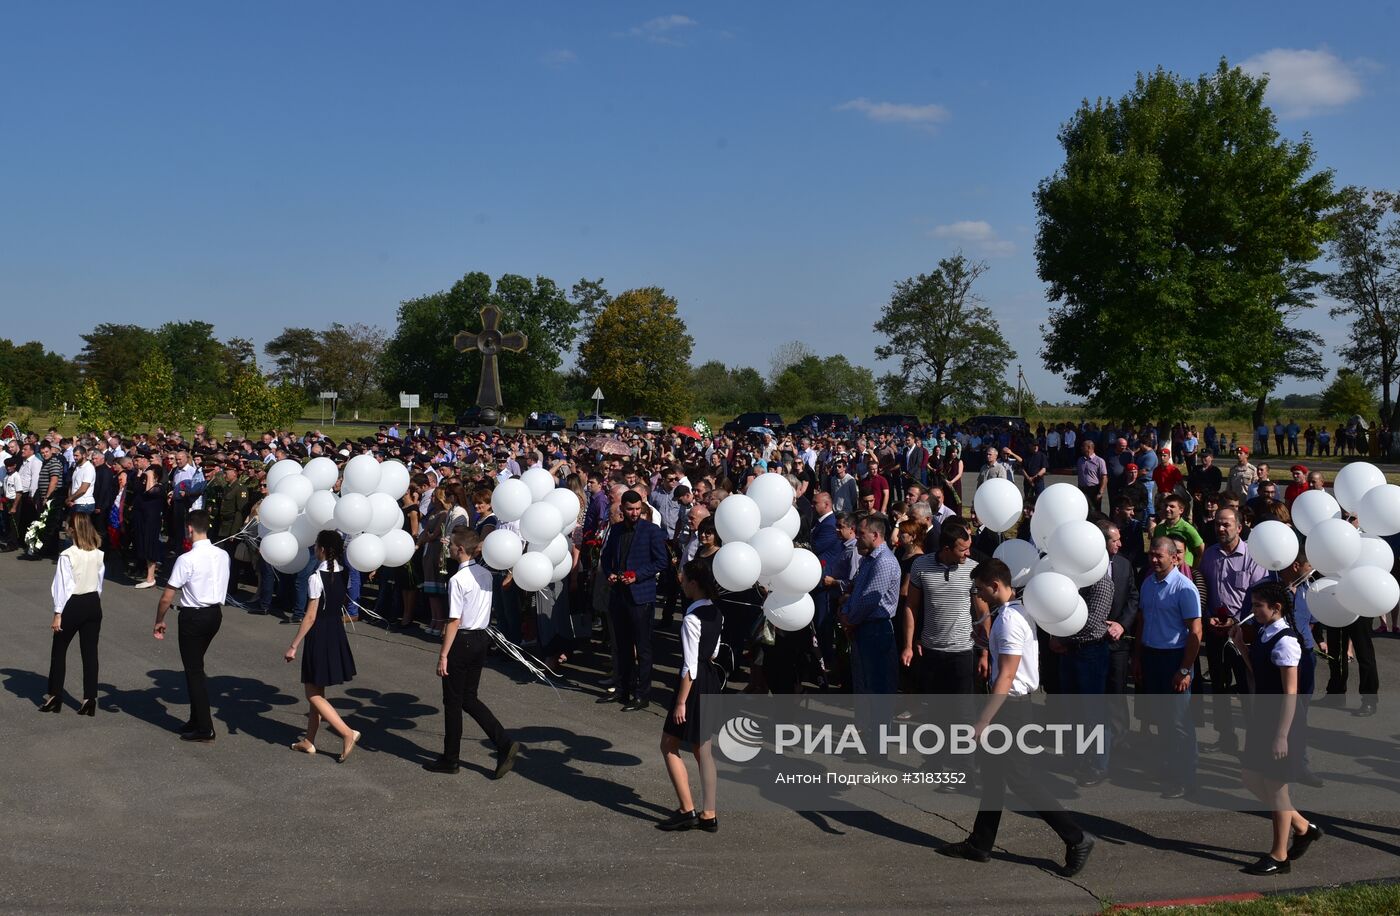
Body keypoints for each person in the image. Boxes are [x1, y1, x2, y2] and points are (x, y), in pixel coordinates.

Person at [938, 559, 1095, 877]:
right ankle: (980, 844)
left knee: (1020, 778)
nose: (977, 593)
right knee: (994, 777)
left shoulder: (1009, 620)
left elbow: (1007, 676)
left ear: (995, 585)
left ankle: (1076, 838)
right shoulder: (1017, 611)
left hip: (1011, 709)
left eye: (979, 588)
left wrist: (983, 721)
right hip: (1011, 706)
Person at [1234, 581, 1323, 875]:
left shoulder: (1286, 641)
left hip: (1282, 723)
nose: (1253, 610)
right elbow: (1260, 676)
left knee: (1276, 788)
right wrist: (1241, 649)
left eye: (1259, 605)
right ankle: (1301, 826)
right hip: (1263, 719)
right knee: (1250, 778)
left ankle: (1279, 855)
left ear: (1276, 608)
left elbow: (1290, 693)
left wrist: (1282, 735)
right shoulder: (1263, 632)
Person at [424, 528, 522, 777]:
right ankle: (503, 742)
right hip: (481, 638)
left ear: (459, 550)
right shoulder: (485, 574)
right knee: (469, 697)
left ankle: (451, 758)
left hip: (463, 640)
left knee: (453, 701)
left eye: (453, 547)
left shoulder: (458, 580)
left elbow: (454, 620)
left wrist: (443, 654)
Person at [152, 510, 231, 743]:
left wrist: (159, 620)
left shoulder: (186, 559)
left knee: (194, 671)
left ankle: (205, 727)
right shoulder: (222, 555)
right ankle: (196, 718)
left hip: (194, 616)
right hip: (214, 613)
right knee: (195, 666)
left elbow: (167, 596)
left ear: (189, 529)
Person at [1133, 536, 1203, 798]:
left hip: (1175, 658)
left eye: (1159, 556)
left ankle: (1185, 777)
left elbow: (1196, 630)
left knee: (1179, 722)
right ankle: (1168, 767)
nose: (1153, 559)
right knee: (1161, 718)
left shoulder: (1185, 588)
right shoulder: (1148, 584)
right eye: (1151, 554)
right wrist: (1137, 657)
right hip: (1152, 657)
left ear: (1174, 558)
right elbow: (1142, 622)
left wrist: (1185, 669)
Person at [656, 560, 722, 833]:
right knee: (702, 749)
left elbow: (689, 666)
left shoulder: (692, 619)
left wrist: (681, 701)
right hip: (710, 680)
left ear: (694, 584)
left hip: (693, 686)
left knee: (669, 744)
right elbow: (714, 652)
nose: (681, 584)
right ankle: (709, 813)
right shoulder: (717, 613)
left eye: (684, 581)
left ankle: (687, 809)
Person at [283, 530, 361, 762]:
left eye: (316, 545)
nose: (314, 548)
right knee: (318, 690)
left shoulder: (316, 577)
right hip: (335, 631)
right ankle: (309, 740)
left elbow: (310, 616)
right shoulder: (342, 572)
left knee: (312, 693)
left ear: (323, 549)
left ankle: (347, 732)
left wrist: (293, 645)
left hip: (320, 634)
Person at [599, 490, 670, 712]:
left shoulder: (651, 531)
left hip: (641, 596)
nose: (634, 513)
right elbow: (606, 556)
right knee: (621, 646)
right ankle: (622, 689)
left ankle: (642, 695)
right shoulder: (617, 529)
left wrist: (636, 575)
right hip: (619, 595)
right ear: (622, 509)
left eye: (638, 509)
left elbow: (662, 561)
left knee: (643, 648)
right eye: (630, 509)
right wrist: (610, 572)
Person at [40, 513, 106, 715]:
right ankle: (90, 698)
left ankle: (54, 695)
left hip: (73, 604)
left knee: (59, 650)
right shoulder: (98, 553)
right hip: (93, 602)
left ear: (74, 529)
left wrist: (57, 612)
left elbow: (62, 586)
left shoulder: (68, 555)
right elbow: (100, 582)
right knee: (90, 652)